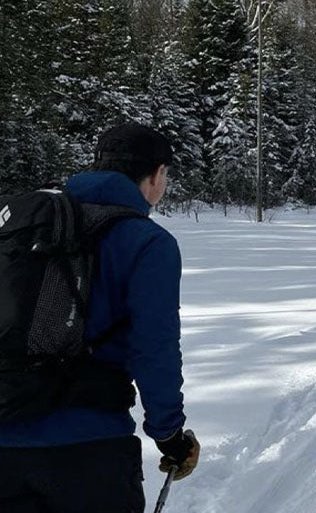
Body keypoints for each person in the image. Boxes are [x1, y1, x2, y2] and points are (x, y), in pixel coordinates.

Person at [0, 123, 199, 512]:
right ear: (157, 175)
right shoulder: (147, 242)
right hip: (90, 449)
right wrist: (170, 436)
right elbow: (154, 347)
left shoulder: (26, 225)